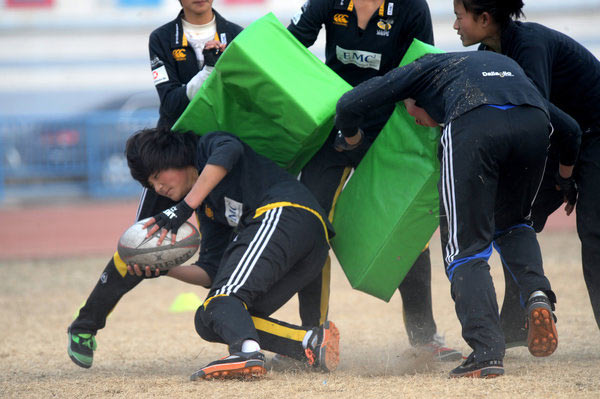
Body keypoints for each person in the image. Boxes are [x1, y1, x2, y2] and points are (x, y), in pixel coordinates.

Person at [334, 50, 566, 377]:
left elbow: (348, 104)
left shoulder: (422, 69)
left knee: (464, 247)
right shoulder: (503, 65)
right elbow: (567, 127)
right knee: (515, 224)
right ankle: (538, 295)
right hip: (534, 121)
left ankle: (486, 350)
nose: (415, 120)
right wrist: (567, 178)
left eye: (409, 111)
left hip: (475, 122)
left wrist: (351, 137)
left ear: (413, 98)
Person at [66, 0, 243, 369]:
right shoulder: (162, 39)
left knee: (240, 250)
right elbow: (173, 102)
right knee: (141, 244)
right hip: (173, 161)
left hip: (224, 158)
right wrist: (208, 69)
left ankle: (268, 337)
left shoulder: (239, 37)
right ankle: (85, 326)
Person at [286, 0, 462, 362]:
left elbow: (422, 68)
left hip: (387, 131)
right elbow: (288, 48)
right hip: (334, 128)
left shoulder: (412, 7)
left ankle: (424, 338)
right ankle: (312, 337)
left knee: (405, 227)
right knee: (309, 227)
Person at [125, 127, 340, 380]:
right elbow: (210, 271)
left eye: (157, 175)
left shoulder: (206, 146)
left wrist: (184, 207)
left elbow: (230, 149)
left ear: (175, 158)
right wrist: (165, 268)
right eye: (150, 184)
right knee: (212, 317)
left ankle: (247, 353)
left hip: (285, 213)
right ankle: (307, 343)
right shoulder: (207, 209)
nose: (158, 187)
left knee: (223, 300)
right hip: (307, 245)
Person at [452, 0, 597, 345]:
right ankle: (518, 321)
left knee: (593, 234)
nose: (455, 25)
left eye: (459, 17)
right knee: (516, 218)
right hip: (562, 138)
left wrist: (565, 176)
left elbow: (550, 120)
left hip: (591, 134)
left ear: (485, 18)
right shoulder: (490, 51)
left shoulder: (529, 45)